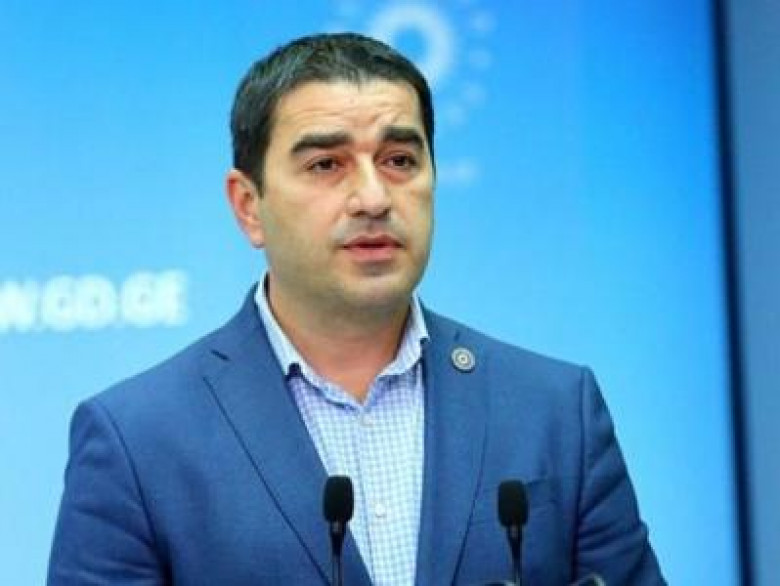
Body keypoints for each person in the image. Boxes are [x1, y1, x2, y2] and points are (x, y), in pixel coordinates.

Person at [47, 33, 665, 585]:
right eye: (326, 164)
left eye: (399, 161)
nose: (373, 197)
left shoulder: (554, 409)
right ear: (248, 206)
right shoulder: (137, 439)